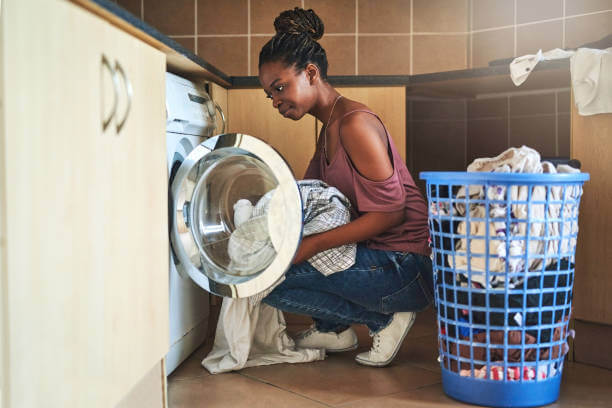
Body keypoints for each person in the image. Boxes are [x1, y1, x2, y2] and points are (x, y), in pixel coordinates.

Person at [258, 7, 433, 367]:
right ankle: (334, 328)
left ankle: (384, 318)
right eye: (269, 95)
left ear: (310, 73)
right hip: (383, 258)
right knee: (265, 267)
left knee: (272, 280)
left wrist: (309, 246)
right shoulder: (328, 130)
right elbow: (307, 201)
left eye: (280, 88)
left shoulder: (354, 124)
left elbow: (391, 212)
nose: (275, 101)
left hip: (408, 266)